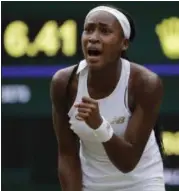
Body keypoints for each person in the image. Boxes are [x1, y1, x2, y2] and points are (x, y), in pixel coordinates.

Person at [50, 5, 165, 191]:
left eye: (104, 31)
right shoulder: (64, 83)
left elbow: (127, 163)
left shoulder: (146, 83)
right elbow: (67, 154)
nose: (93, 38)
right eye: (88, 30)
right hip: (92, 184)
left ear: (124, 43)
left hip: (142, 182)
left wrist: (99, 126)